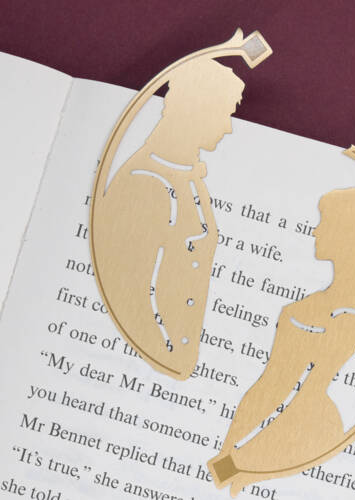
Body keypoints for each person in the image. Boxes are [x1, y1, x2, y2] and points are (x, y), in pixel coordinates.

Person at [208, 188, 355, 495]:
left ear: (347, 235)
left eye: (325, 222)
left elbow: (287, 390)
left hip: (299, 433)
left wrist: (231, 459)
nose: (315, 230)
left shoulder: (341, 316)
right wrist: (228, 450)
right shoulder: (328, 309)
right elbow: (271, 386)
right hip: (287, 431)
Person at [92, 58, 245, 380]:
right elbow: (128, 293)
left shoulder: (187, 175)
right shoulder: (146, 184)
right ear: (196, 112)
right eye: (225, 114)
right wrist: (165, 359)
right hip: (146, 366)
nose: (228, 128)